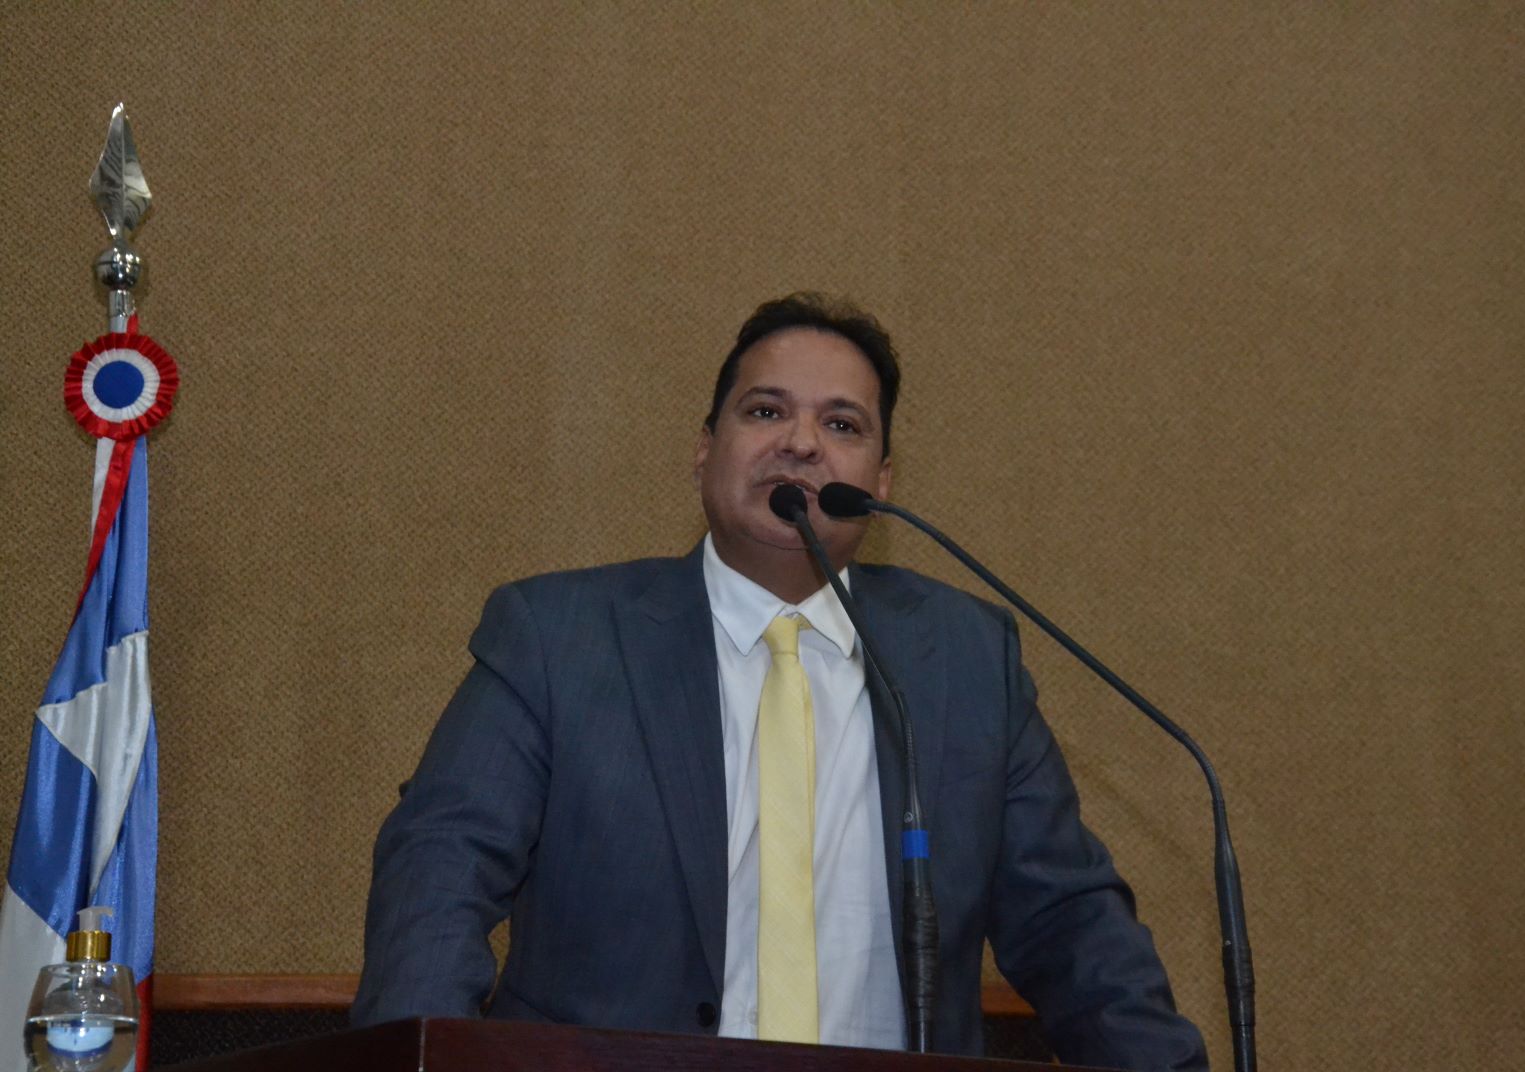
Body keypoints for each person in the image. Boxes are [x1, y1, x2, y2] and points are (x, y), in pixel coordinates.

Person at [352, 293, 1208, 1070]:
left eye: (843, 424)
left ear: (880, 482)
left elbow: (1070, 925)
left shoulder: (968, 659)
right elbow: (440, 872)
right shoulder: (559, 637)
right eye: (766, 411)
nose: (801, 441)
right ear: (704, 451)